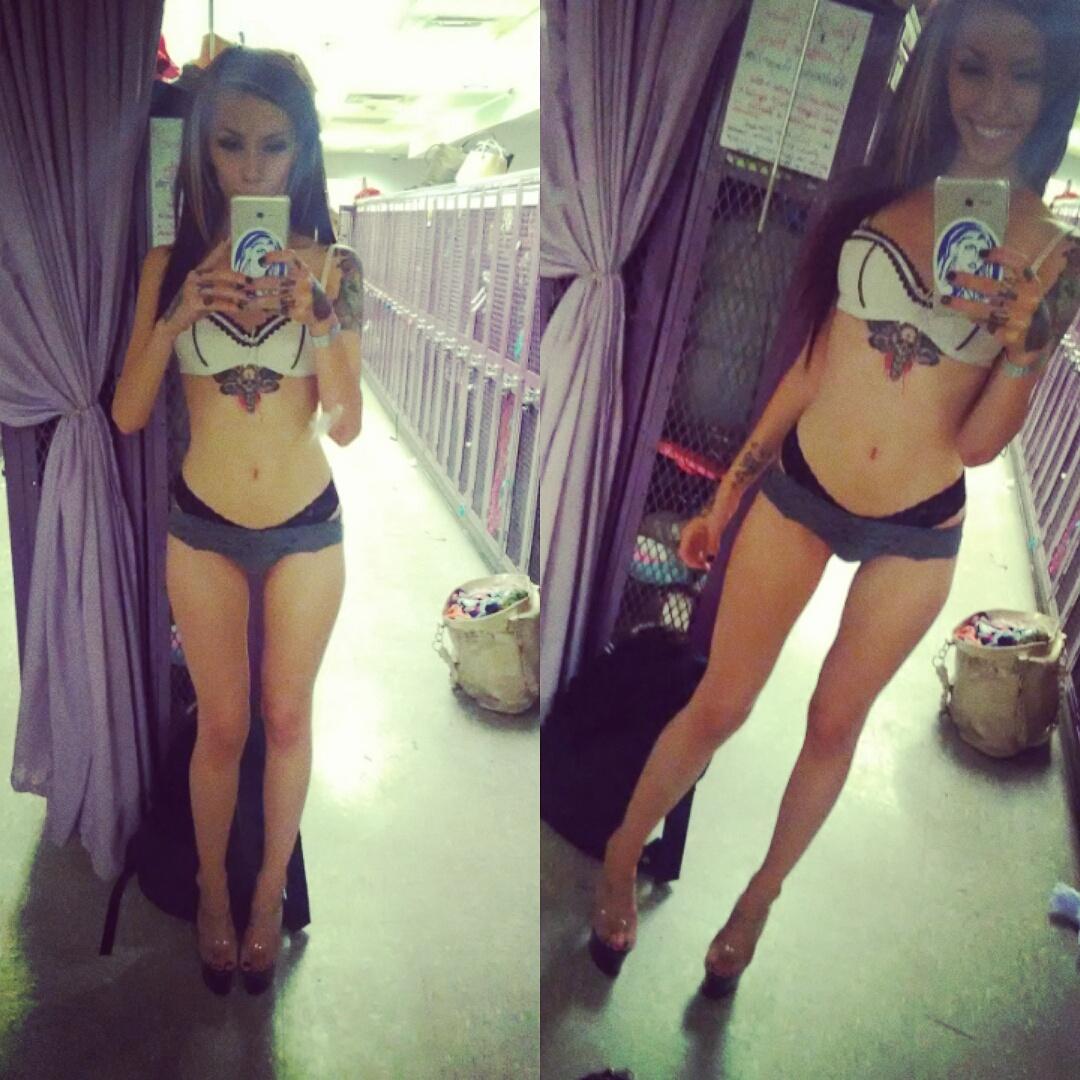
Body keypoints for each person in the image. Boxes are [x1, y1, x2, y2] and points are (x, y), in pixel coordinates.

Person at [590, 0, 1080, 997]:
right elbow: (812, 368)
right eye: (973, 67)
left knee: (832, 726)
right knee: (720, 702)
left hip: (920, 526)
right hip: (802, 488)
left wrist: (1029, 343)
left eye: (1023, 73)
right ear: (939, 74)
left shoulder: (1054, 256)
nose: (994, 99)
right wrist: (725, 496)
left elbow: (977, 445)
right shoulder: (874, 199)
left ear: (1054, 88)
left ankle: (758, 899)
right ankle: (619, 853)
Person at [112, 47, 364, 995]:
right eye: (230, 145)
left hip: (306, 525)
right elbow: (129, 414)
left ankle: (268, 895)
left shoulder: (336, 264)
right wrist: (178, 314)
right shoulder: (167, 265)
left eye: (274, 145)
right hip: (204, 525)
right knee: (222, 725)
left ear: (303, 151)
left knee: (287, 717)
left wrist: (322, 317)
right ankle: (212, 890)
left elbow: (347, 424)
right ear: (201, 152)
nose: (252, 168)